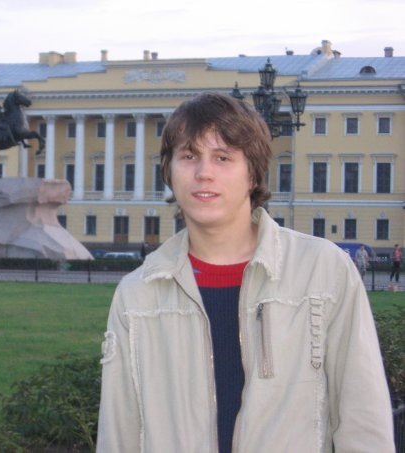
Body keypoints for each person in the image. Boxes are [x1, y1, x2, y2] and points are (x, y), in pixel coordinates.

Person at [96, 93, 394, 452]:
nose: (204, 173)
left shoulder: (323, 271)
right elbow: (119, 432)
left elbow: (363, 420)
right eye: (188, 156)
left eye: (222, 158)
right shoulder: (137, 294)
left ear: (253, 173)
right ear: (169, 171)